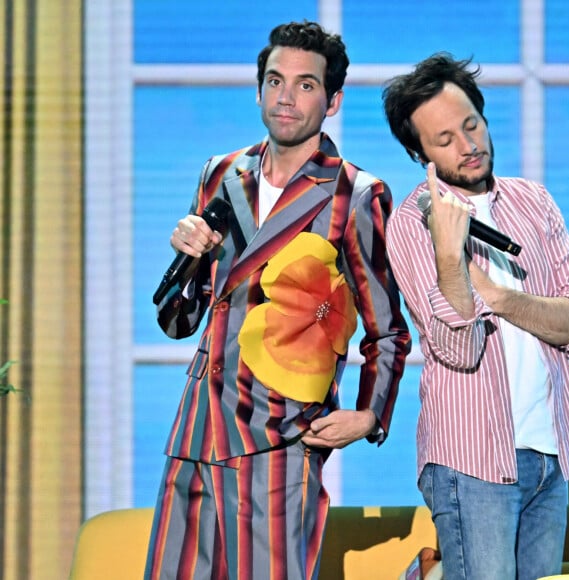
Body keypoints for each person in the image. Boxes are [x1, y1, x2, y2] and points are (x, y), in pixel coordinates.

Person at [144, 21, 411, 580]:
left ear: (333, 100)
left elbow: (387, 329)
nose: (286, 96)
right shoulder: (221, 173)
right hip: (195, 432)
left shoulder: (356, 195)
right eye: (275, 80)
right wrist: (186, 261)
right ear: (259, 88)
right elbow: (179, 320)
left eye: (306, 84)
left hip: (278, 438)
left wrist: (368, 416)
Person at [381, 52, 569, 580]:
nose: (468, 146)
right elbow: (459, 350)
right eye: (444, 139)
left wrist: (503, 297)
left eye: (472, 125)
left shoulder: (534, 203)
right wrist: (450, 258)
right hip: (470, 460)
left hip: (551, 452)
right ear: (417, 151)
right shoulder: (409, 225)